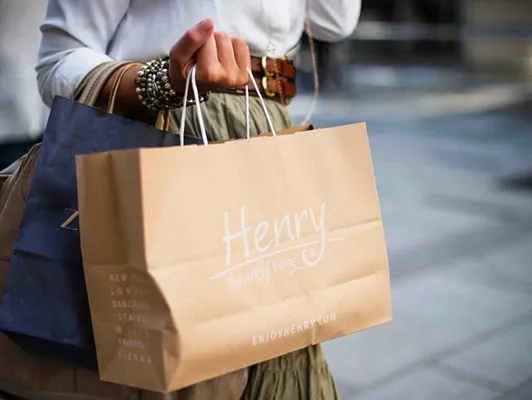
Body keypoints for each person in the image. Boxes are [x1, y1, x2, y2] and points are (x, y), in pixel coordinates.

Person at [36, 1, 361, 399]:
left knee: (281, 339)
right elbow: (58, 60)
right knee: (177, 358)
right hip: (166, 133)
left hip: (266, 133)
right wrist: (163, 82)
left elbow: (335, 22)